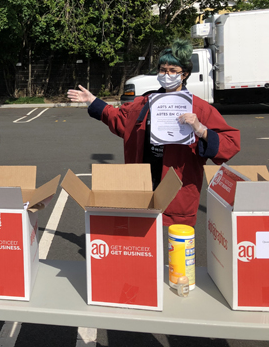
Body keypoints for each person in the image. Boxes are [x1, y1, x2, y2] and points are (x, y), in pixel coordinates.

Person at [67, 39, 240, 227]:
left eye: (173, 71)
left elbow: (230, 144)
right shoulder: (146, 103)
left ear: (184, 74)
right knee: (143, 238)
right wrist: (93, 101)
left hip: (178, 187)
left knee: (176, 246)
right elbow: (119, 118)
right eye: (163, 70)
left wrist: (201, 130)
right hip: (142, 182)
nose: (167, 75)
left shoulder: (200, 108)